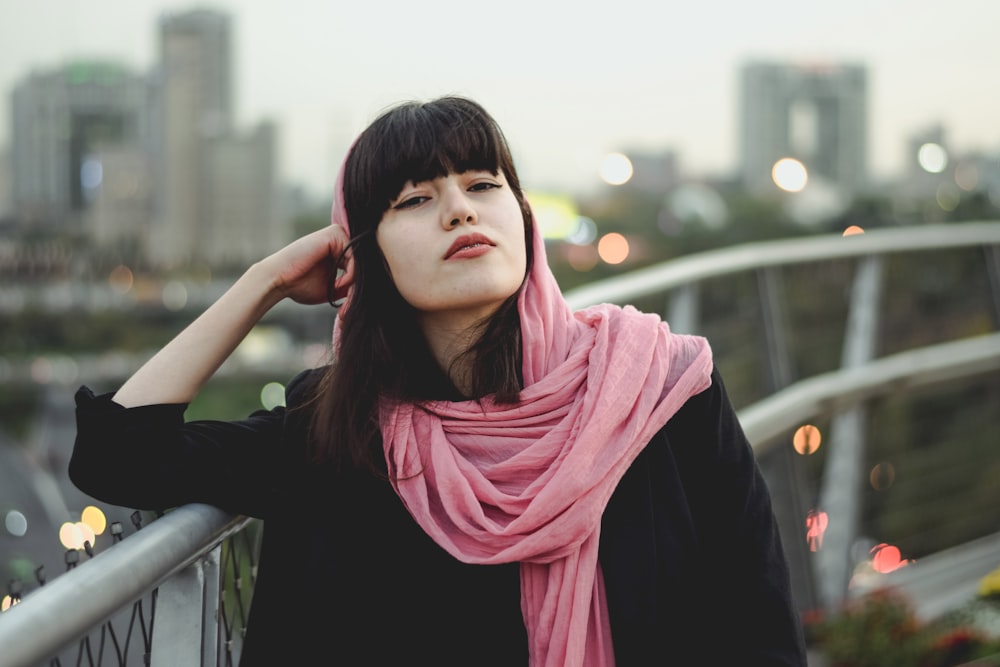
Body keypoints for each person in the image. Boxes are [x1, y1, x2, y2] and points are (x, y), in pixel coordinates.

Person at [70, 96, 807, 666]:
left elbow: (761, 632)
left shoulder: (660, 392)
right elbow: (118, 453)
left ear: (522, 219)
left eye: (482, 184)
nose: (459, 207)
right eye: (414, 200)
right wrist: (261, 283)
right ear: (363, 254)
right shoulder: (339, 431)